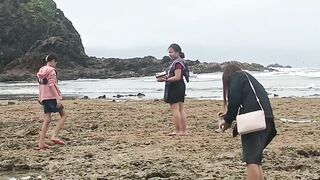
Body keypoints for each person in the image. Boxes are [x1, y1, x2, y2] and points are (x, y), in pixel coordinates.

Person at [219, 64, 277, 180]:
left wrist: (227, 121)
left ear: (227, 77)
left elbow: (234, 102)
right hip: (267, 120)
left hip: (255, 122)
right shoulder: (248, 78)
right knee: (256, 159)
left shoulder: (237, 78)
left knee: (251, 161)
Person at [35, 53, 67, 150]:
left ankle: (41, 143)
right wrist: (57, 98)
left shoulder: (41, 70)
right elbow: (52, 85)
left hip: (44, 97)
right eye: (55, 62)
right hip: (52, 97)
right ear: (52, 61)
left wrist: (40, 97)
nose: (56, 64)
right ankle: (54, 135)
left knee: (47, 120)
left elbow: (41, 86)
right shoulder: (52, 71)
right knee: (64, 115)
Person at [157, 43, 189, 136]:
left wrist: (165, 79)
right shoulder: (181, 61)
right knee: (181, 109)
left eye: (171, 52)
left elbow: (177, 77)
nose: (170, 54)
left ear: (177, 52)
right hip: (181, 86)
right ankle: (184, 131)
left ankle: (178, 130)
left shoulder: (177, 63)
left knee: (175, 109)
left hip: (175, 86)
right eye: (169, 52)